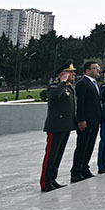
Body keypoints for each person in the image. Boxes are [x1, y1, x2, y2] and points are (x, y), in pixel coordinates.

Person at [40, 62, 77, 192]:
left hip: (65, 126)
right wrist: (62, 82)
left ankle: (53, 179)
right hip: (55, 126)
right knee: (51, 155)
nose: (74, 74)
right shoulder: (54, 86)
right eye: (70, 72)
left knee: (58, 155)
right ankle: (45, 182)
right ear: (63, 74)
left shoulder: (68, 87)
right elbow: (55, 96)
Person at [70, 60, 102, 182]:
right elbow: (80, 104)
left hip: (94, 121)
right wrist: (81, 119)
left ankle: (84, 168)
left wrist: (99, 119)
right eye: (95, 68)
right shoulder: (82, 83)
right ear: (87, 71)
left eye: (98, 67)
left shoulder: (94, 83)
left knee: (90, 146)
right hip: (86, 121)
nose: (98, 70)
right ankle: (76, 171)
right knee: (82, 146)